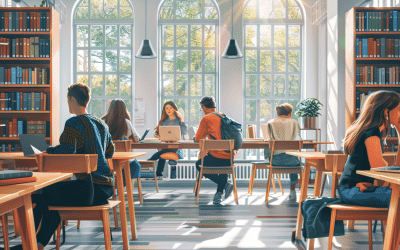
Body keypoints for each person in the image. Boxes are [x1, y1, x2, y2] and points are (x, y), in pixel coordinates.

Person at [1, 83, 115, 250]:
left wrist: (49, 150)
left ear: (72, 99)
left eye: (68, 100)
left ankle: (30, 244)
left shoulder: (73, 123)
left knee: (38, 195)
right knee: (48, 198)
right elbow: (110, 152)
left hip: (88, 190)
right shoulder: (101, 123)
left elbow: (66, 151)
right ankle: (37, 242)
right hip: (105, 189)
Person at [339, 90, 400, 208]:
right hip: (353, 191)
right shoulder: (371, 134)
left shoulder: (372, 131)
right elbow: (381, 174)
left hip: (357, 189)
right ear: (386, 112)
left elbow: (396, 170)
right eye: (398, 110)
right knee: (396, 196)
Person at [195, 96, 234, 204]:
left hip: (216, 157)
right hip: (229, 158)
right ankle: (218, 194)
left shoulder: (206, 118)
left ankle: (225, 185)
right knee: (223, 168)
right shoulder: (223, 116)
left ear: (204, 108)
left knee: (199, 164)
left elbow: (198, 138)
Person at [264, 103, 301, 201]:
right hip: (292, 161)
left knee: (280, 156)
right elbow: (298, 139)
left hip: (275, 161)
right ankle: (292, 191)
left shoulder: (270, 122)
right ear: (290, 113)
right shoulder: (294, 122)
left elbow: (268, 140)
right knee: (296, 161)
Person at [101, 99, 141, 183]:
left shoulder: (102, 121)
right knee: (136, 165)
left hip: (106, 160)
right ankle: (123, 188)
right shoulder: (126, 122)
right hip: (123, 160)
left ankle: (114, 186)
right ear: (124, 109)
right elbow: (136, 139)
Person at [148, 101, 187, 179]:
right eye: (166, 108)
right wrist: (157, 135)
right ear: (164, 110)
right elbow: (158, 133)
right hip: (165, 145)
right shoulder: (163, 121)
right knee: (163, 152)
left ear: (174, 109)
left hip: (176, 146)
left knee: (160, 153)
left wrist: (182, 119)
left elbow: (184, 132)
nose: (168, 110)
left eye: (170, 108)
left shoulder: (179, 120)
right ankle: (158, 173)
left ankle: (150, 163)